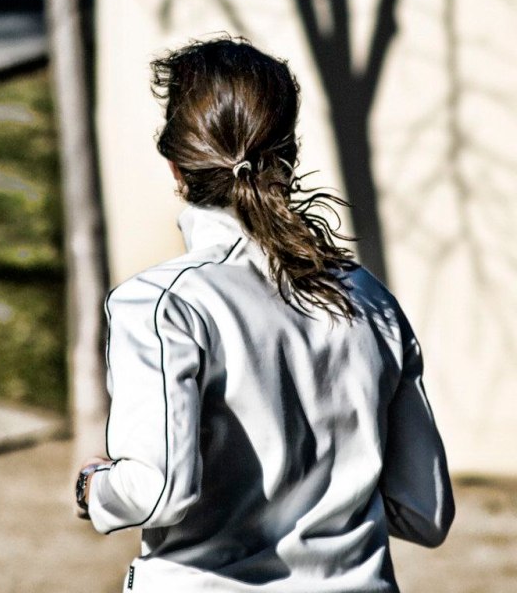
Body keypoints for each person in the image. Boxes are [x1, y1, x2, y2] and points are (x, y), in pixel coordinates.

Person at [74, 37, 454, 592]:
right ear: (289, 157)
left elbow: (157, 490)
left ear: (177, 168)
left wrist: (92, 487)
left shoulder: (165, 305)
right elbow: (425, 510)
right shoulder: (370, 300)